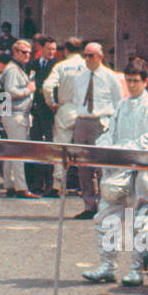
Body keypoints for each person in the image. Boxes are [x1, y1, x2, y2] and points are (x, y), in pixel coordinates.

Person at [83, 58, 148, 286]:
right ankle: (107, 266)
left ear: (145, 81)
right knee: (107, 216)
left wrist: (122, 149)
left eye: (136, 81)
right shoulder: (121, 105)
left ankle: (137, 269)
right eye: (128, 81)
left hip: (142, 169)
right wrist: (104, 145)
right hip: (118, 168)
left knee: (141, 220)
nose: (131, 85)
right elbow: (110, 131)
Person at [66, 42, 125, 219]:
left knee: (102, 168)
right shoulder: (80, 76)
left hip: (101, 123)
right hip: (83, 121)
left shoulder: (110, 77)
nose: (87, 59)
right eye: (86, 55)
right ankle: (89, 205)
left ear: (100, 57)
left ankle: (106, 206)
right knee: (83, 166)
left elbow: (118, 102)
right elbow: (77, 99)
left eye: (91, 55)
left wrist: (113, 128)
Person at [43, 37, 87, 199]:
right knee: (85, 149)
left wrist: (52, 103)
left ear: (65, 51)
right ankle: (87, 186)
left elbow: (47, 86)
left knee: (61, 148)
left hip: (65, 108)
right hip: (85, 109)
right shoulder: (87, 66)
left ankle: (57, 186)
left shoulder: (60, 66)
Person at [0, 39, 39, 197]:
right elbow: (11, 91)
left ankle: (9, 184)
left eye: (29, 52)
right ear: (15, 52)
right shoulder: (14, 69)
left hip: (11, 113)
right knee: (18, 151)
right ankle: (21, 187)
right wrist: (28, 90)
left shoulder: (15, 68)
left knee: (10, 150)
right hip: (15, 114)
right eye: (23, 52)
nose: (27, 55)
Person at [26, 36, 58, 193]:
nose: (52, 52)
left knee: (51, 147)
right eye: (49, 49)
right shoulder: (32, 65)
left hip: (50, 112)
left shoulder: (57, 66)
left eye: (54, 49)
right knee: (36, 146)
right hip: (35, 111)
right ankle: (37, 182)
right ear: (41, 49)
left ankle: (50, 183)